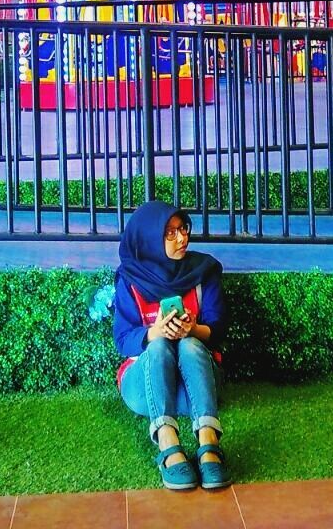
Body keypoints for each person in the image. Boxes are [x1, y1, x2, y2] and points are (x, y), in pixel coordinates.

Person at [113, 200, 229, 491]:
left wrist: (193, 329)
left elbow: (218, 329)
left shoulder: (204, 271)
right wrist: (155, 332)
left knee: (189, 344)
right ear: (149, 239)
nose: (182, 238)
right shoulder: (130, 279)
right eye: (170, 233)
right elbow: (123, 338)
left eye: (183, 229)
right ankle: (168, 442)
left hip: (198, 388)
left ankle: (208, 442)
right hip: (146, 390)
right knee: (158, 345)